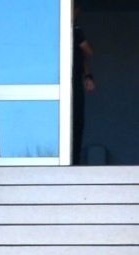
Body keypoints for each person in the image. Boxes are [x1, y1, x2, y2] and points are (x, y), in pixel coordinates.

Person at [73, 2, 96, 165]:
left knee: (78, 121)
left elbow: (83, 57)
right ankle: (70, 159)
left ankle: (74, 159)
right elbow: (89, 51)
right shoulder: (73, 30)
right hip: (64, 85)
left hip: (75, 82)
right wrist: (78, 34)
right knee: (74, 120)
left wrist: (88, 76)